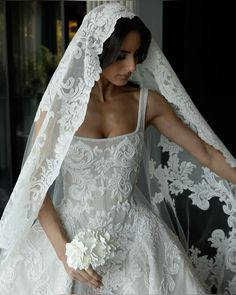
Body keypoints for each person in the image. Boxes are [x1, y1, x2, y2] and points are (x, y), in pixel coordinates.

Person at [0, 3, 236, 295]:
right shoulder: (58, 112)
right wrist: (65, 254)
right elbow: (36, 185)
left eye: (137, 56)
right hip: (67, 241)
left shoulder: (147, 104)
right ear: (97, 51)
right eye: (121, 56)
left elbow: (207, 153)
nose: (132, 67)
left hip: (137, 241)